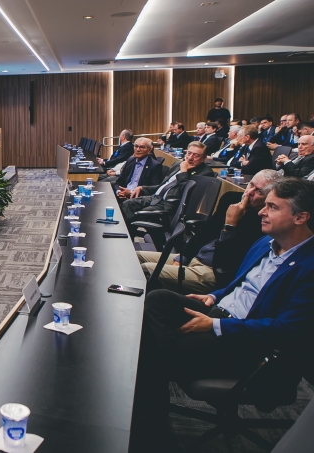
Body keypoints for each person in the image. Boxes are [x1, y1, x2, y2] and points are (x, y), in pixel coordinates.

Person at [131, 178, 314, 451]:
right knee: (158, 300)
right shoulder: (267, 243)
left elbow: (286, 330)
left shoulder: (308, 267)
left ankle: (152, 431)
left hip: (247, 343)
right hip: (219, 312)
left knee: (149, 351)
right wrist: (215, 295)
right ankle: (151, 400)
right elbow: (239, 280)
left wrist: (215, 326)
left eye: (273, 207)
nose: (262, 211)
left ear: (300, 217)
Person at [137, 170, 279, 293]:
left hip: (211, 271)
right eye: (251, 185)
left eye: (259, 191)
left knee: (144, 269)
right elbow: (205, 232)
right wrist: (183, 258)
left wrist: (230, 224)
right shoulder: (231, 198)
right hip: (196, 257)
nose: (249, 192)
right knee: (135, 257)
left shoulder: (262, 221)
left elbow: (228, 264)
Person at [121, 142, 215, 235]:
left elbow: (186, 193)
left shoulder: (205, 173)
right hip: (156, 198)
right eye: (189, 153)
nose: (190, 158)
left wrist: (183, 172)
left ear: (203, 159)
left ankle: (129, 238)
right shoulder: (178, 164)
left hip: (170, 205)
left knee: (136, 214)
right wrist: (142, 188)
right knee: (127, 204)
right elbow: (163, 186)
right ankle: (125, 237)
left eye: (196, 156)